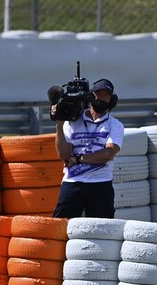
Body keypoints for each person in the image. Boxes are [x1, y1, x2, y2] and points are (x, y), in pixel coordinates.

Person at [52, 78, 124, 219]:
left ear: (112, 99)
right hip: (72, 182)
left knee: (102, 230)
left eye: (106, 95)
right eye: (99, 94)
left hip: (101, 183)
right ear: (92, 95)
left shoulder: (115, 125)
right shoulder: (72, 122)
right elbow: (63, 154)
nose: (102, 98)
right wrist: (59, 124)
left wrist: (78, 159)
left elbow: (108, 153)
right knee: (60, 225)